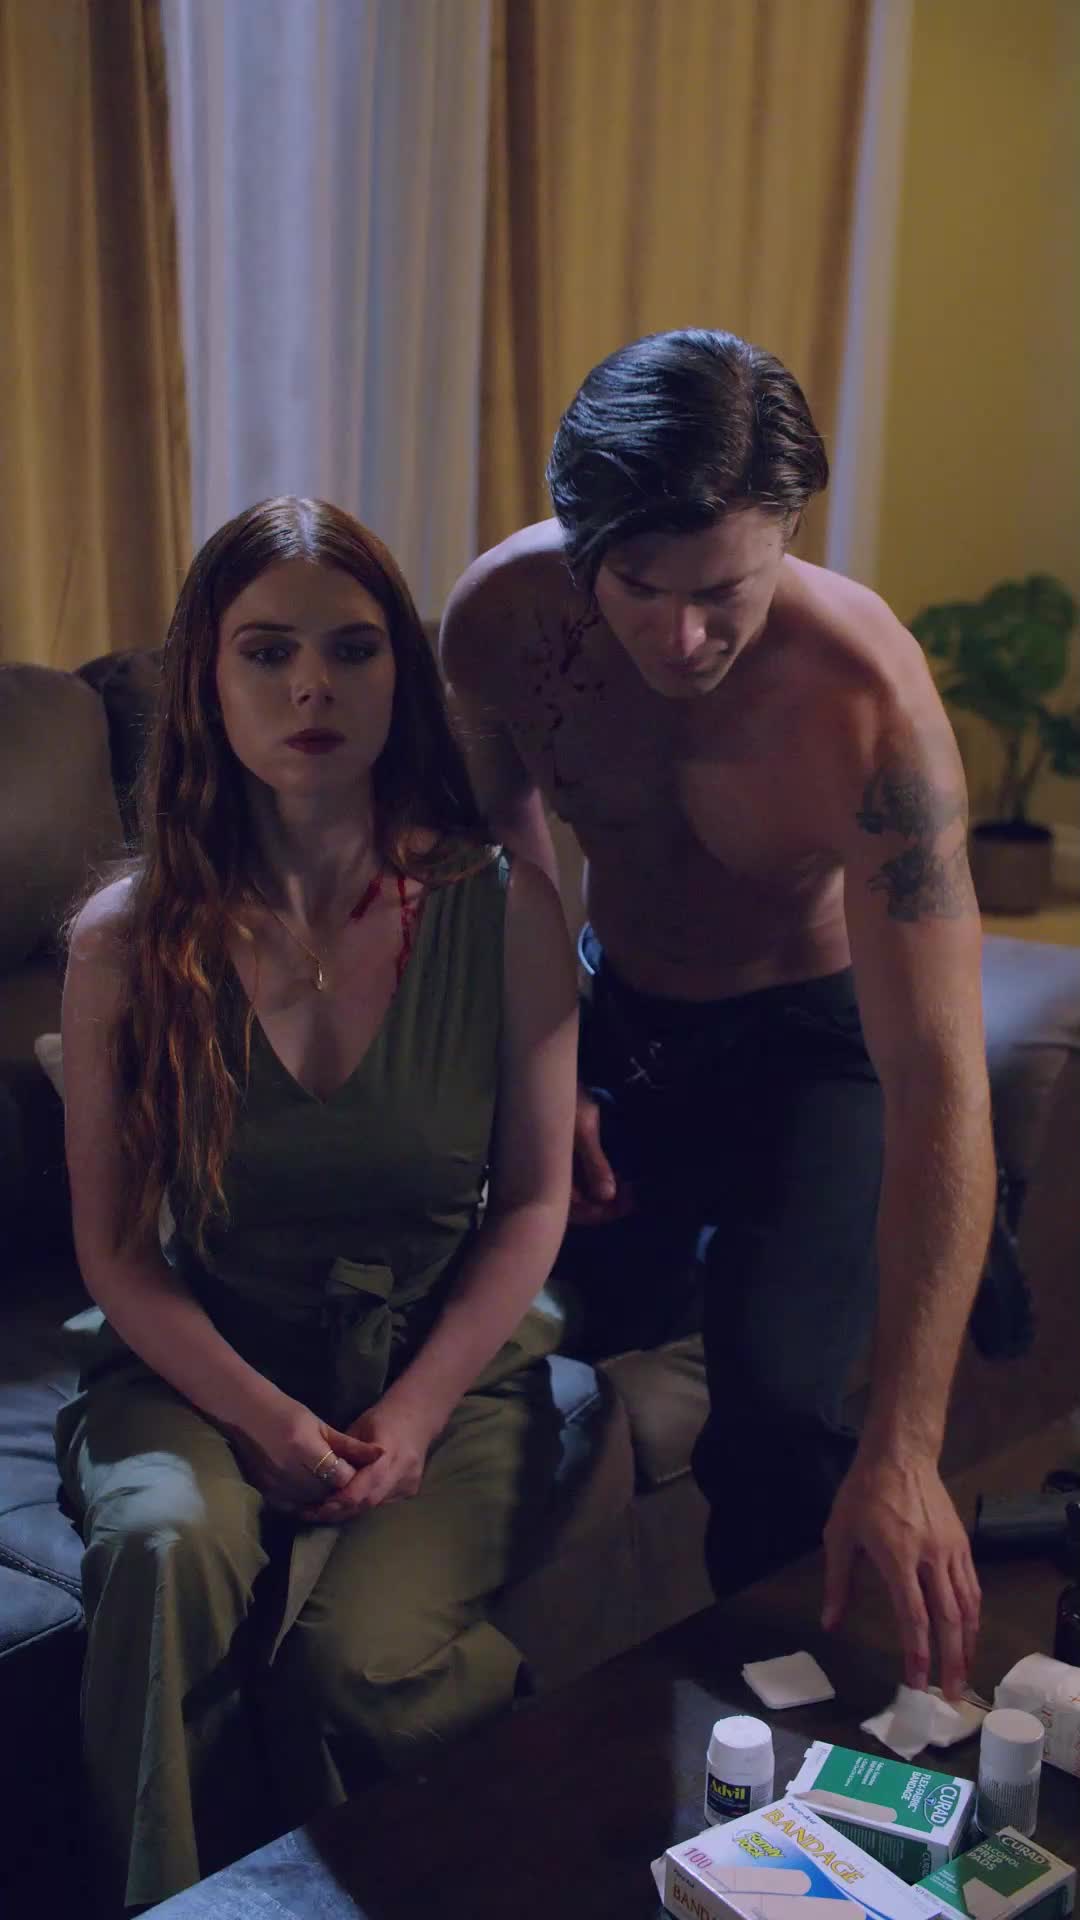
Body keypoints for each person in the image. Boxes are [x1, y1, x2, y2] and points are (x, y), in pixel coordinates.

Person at [440, 328, 996, 1703]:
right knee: (468, 1337)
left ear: (789, 533)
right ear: (582, 542)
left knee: (784, 1415)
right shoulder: (503, 622)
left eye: (722, 593)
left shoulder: (868, 706)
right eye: (638, 588)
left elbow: (937, 1081)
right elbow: (502, 858)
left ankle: (794, 1754)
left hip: (810, 1049)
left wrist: (909, 1449)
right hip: (614, 1019)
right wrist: (549, 1058)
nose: (681, 638)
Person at [56, 497, 577, 1912]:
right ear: (204, 679)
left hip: (442, 1364)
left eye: (352, 649)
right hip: (204, 1352)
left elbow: (532, 1203)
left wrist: (411, 1414)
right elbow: (115, 1251)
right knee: (164, 1547)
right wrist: (258, 1416)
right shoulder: (121, 943)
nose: (311, 688)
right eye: (266, 650)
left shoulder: (505, 910)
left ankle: (532, 1824)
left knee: (358, 1662)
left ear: (400, 674)